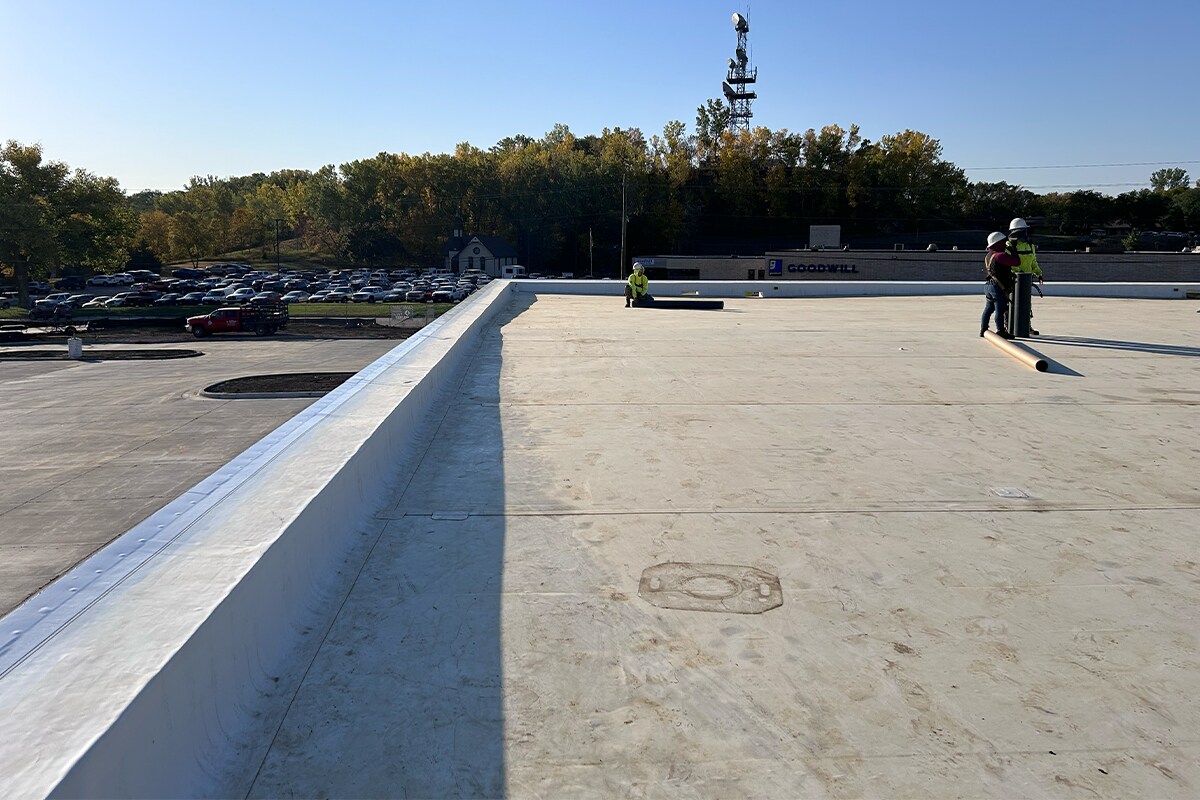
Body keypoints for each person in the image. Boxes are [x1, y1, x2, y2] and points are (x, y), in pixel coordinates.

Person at [1007, 217, 1043, 335]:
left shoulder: (1030, 245)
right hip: (1013, 280)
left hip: (1026, 280)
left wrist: (1039, 273)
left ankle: (1027, 326)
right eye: (1023, 231)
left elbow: (1033, 261)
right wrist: (1017, 273)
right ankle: (1008, 326)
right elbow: (1007, 262)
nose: (1025, 234)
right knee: (1011, 303)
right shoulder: (1009, 245)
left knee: (1026, 304)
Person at [982, 231, 1019, 338]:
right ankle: (1001, 331)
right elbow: (1017, 262)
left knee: (988, 308)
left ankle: (983, 329)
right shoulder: (1000, 256)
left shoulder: (989, 255)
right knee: (1000, 309)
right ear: (999, 243)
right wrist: (1013, 250)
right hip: (997, 287)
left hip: (988, 285)